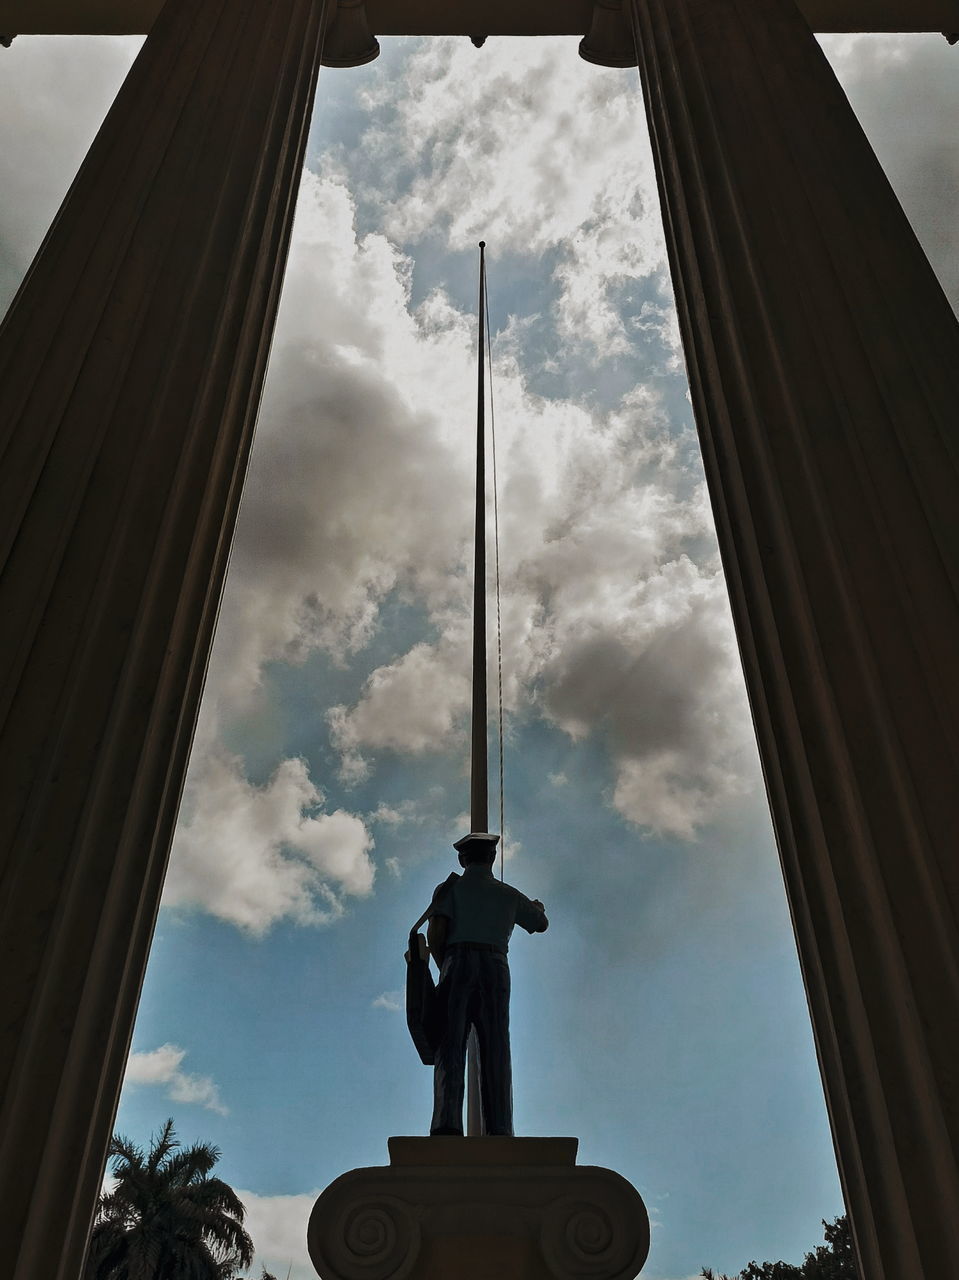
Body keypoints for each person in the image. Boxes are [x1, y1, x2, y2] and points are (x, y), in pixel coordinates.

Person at [427, 831, 548, 1136]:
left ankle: (446, 1122)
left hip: (457, 962)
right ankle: (500, 1126)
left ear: (462, 859)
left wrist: (447, 970)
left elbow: (435, 935)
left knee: (450, 1045)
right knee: (496, 1046)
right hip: (495, 966)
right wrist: (538, 906)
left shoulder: (449, 889)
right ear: (492, 858)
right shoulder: (507, 894)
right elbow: (539, 923)